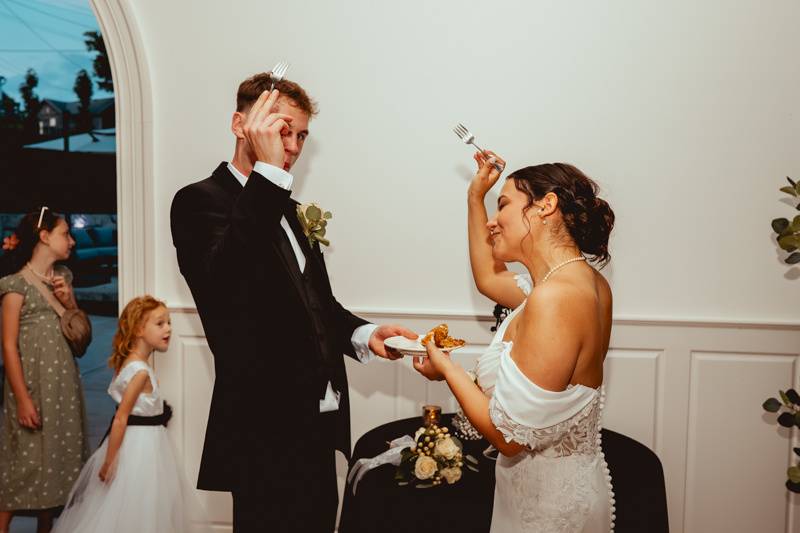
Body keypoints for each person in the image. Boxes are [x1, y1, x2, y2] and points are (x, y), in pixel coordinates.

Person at [170, 74, 416, 532]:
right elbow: (229, 283)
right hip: (263, 433)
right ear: (240, 124)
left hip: (317, 426)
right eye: (283, 130)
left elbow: (316, 305)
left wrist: (366, 334)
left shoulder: (286, 208)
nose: (295, 146)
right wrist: (268, 177)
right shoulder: (198, 202)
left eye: (301, 135)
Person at [414, 152, 617, 532]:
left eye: (502, 205)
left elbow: (509, 437)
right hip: (539, 493)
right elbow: (489, 279)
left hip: (549, 511)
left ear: (546, 206)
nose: (492, 222)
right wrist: (475, 197)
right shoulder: (574, 283)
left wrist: (447, 368)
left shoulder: (556, 297)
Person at [52, 295, 206, 533]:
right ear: (139, 329)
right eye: (160, 323)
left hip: (140, 442)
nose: (168, 329)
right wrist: (109, 461)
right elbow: (121, 418)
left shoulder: (129, 364)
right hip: (142, 448)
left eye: (169, 323)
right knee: (144, 504)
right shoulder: (140, 372)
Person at [0, 207, 89, 533]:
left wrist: (70, 304)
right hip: (32, 390)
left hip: (62, 391)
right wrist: (22, 399)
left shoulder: (63, 279)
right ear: (44, 236)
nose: (72, 241)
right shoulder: (15, 285)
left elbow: (80, 340)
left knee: (56, 468)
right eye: (66, 233)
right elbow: (8, 346)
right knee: (21, 468)